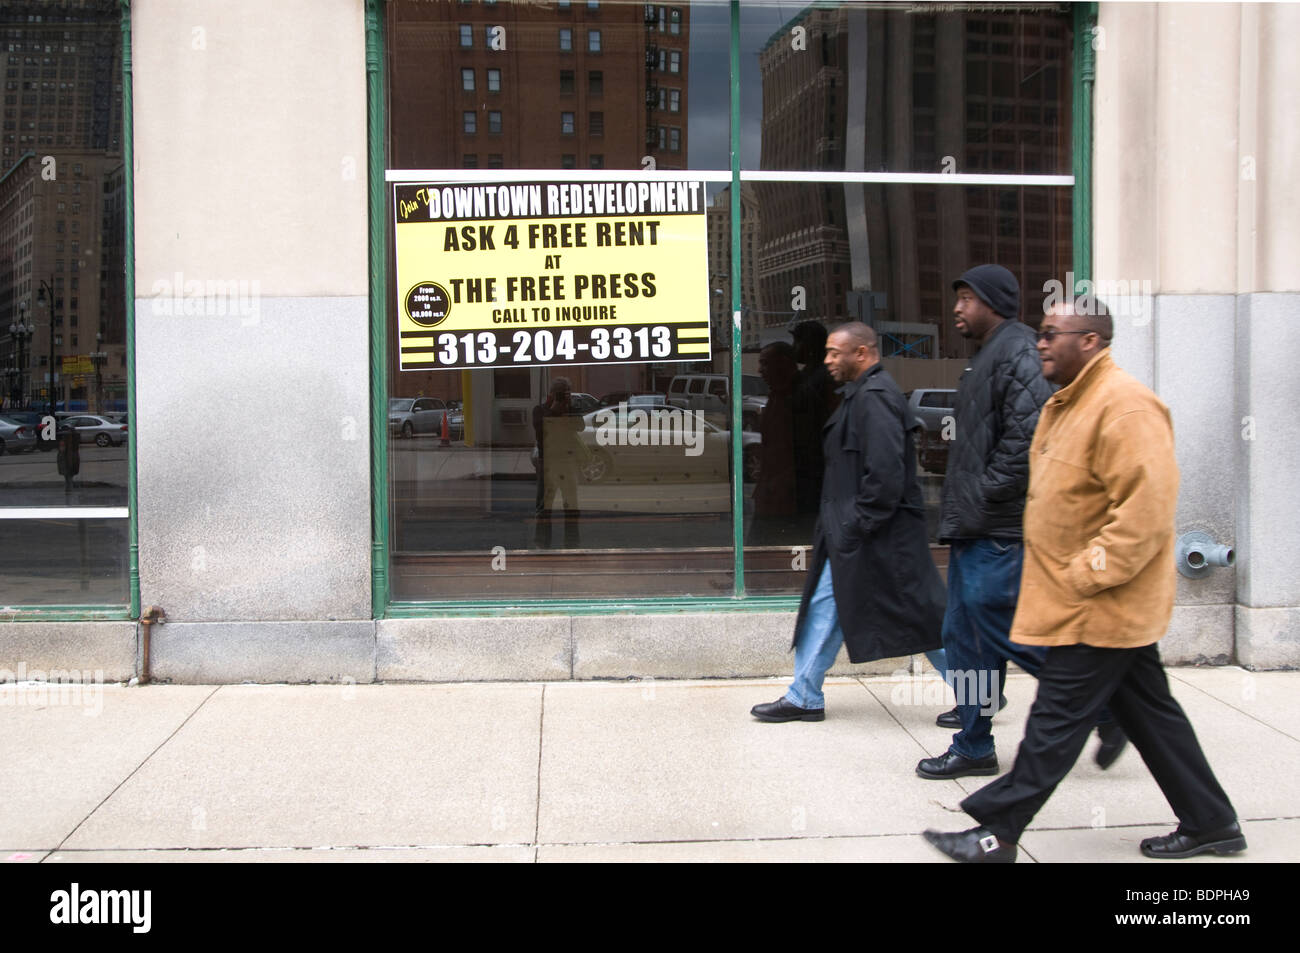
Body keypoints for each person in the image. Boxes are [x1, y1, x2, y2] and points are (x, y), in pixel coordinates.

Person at [923, 297, 1245, 862]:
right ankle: (1212, 822)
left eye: (1051, 334)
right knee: (1153, 716)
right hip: (1087, 600)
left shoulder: (1125, 408)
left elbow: (1144, 514)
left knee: (1053, 721)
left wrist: (1083, 575)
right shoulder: (1069, 403)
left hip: (1101, 603)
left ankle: (996, 832)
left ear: (1090, 341)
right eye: (1041, 333)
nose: (1040, 342)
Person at [916, 265, 1127, 780]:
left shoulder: (1017, 351)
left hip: (1000, 531)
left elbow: (1028, 439)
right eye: (957, 298)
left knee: (1008, 636)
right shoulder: (990, 354)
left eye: (967, 298)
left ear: (992, 302)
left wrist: (985, 496)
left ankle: (1106, 707)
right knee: (965, 640)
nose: (958, 308)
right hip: (977, 529)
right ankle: (973, 745)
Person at [751, 322, 944, 722]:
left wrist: (856, 527)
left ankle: (981, 695)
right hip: (858, 531)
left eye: (834, 354)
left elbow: (886, 474)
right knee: (827, 605)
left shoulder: (875, 398)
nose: (826, 361)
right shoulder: (864, 395)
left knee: (924, 617)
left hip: (874, 533)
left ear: (862, 353)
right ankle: (803, 694)